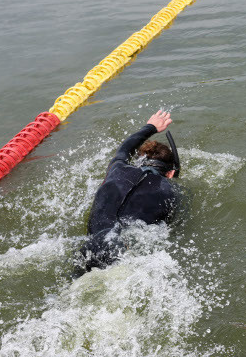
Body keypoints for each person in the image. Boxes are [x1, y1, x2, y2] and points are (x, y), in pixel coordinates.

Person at [74, 110, 180, 276]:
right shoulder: (171, 190)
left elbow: (125, 148)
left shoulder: (117, 167)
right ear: (171, 173)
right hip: (122, 251)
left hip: (90, 246)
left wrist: (150, 127)